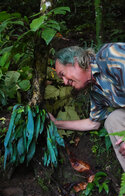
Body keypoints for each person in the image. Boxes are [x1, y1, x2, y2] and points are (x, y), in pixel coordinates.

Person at [49, 43, 125, 172]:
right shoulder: (96, 92)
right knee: (113, 120)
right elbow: (93, 123)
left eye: (63, 74)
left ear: (76, 61)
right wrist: (56, 123)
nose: (65, 82)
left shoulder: (109, 55)